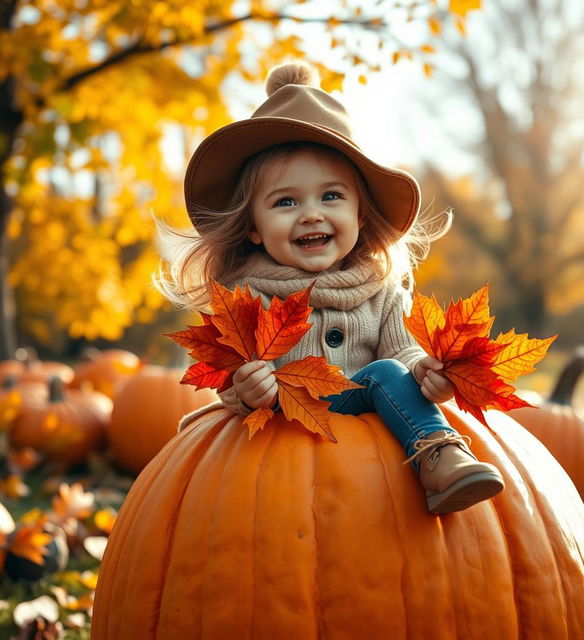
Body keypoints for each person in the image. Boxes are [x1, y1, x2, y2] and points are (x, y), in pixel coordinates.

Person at [156, 61, 504, 514]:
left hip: (368, 420)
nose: (311, 214)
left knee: (387, 373)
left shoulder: (380, 290)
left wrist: (424, 374)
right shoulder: (247, 299)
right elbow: (227, 370)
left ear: (361, 214)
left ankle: (438, 453)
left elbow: (402, 353)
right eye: (285, 202)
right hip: (284, 435)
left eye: (331, 196)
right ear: (254, 228)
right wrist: (245, 388)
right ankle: (436, 449)